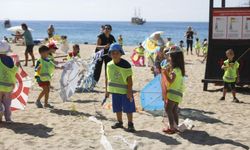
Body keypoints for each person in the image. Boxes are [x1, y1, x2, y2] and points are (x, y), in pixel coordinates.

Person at [105, 43, 136, 132]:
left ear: (121, 53)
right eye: (113, 53)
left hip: (125, 91)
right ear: (110, 54)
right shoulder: (109, 65)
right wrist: (107, 90)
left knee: (128, 108)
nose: (115, 55)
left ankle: (130, 124)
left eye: (117, 53)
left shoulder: (126, 65)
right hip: (114, 91)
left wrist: (129, 91)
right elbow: (107, 77)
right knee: (117, 107)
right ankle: (120, 122)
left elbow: (129, 80)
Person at [163, 46, 185, 134]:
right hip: (178, 93)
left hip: (172, 93)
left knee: (168, 109)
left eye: (170, 56)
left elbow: (171, 81)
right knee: (174, 110)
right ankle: (176, 126)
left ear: (174, 58)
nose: (169, 58)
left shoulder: (175, 71)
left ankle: (172, 127)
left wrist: (165, 73)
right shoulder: (180, 70)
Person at [0, 41, 19, 122]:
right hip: (9, 86)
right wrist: (17, 65)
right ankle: (8, 118)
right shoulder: (10, 59)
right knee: (7, 104)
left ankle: (0, 116)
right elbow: (14, 70)